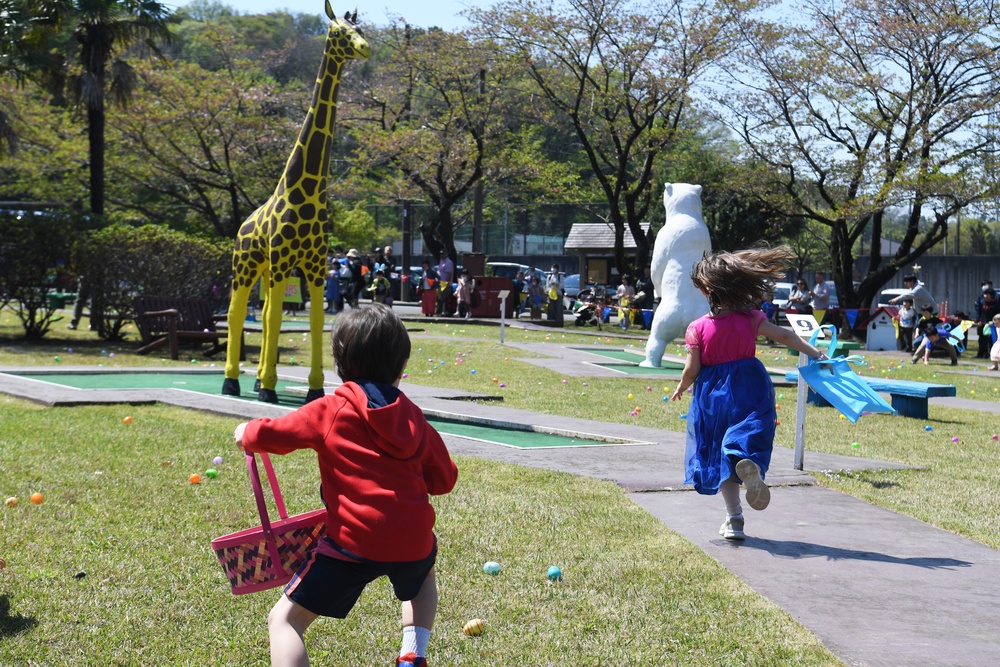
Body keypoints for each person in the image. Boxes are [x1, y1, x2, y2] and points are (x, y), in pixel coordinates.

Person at [232, 305, 458, 667]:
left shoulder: (332, 408)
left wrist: (248, 432)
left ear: (339, 365)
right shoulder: (415, 417)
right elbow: (444, 480)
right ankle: (413, 652)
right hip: (413, 540)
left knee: (284, 620)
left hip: (353, 542)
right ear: (401, 368)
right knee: (422, 576)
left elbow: (276, 433)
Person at [669, 247, 826, 541]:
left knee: (720, 457)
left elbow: (692, 368)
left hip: (713, 395)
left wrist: (682, 386)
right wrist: (814, 351)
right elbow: (784, 336)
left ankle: (735, 519)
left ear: (707, 292)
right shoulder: (751, 318)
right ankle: (750, 465)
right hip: (751, 384)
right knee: (746, 436)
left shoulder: (698, 328)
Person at [974, 288, 999, 359]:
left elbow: (997, 313)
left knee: (991, 340)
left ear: (992, 296)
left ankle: (992, 354)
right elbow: (978, 312)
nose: (986, 297)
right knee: (981, 339)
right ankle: (981, 354)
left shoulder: (996, 303)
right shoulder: (981, 301)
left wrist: (995, 322)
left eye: (987, 295)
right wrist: (978, 320)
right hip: (982, 323)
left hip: (992, 324)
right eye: (985, 295)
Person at [435, 251, 454, 316]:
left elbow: (449, 274)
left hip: (445, 283)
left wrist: (446, 283)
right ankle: (439, 312)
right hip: (440, 283)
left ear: (447, 254)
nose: (442, 255)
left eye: (443, 254)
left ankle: (444, 311)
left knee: (444, 298)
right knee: (440, 298)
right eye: (441, 254)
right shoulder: (441, 261)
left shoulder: (448, 262)